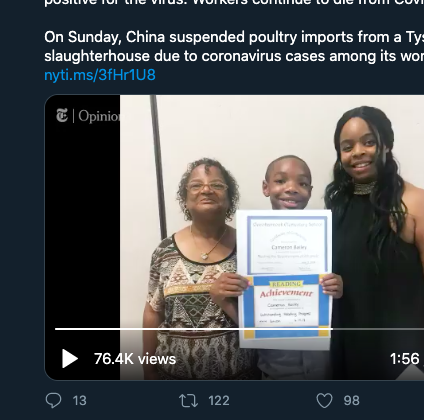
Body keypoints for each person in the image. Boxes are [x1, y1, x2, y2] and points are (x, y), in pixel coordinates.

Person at [325, 107, 424, 380]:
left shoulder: (417, 203)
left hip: (405, 356)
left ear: (386, 144)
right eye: (347, 147)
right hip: (350, 347)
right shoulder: (337, 206)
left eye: (368, 142)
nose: (358, 152)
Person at [211, 155, 343, 380]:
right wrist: (222, 299)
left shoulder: (328, 239)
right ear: (266, 187)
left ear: (310, 191)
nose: (291, 188)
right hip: (276, 370)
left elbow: (340, 307)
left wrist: (338, 288)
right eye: (281, 181)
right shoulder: (250, 245)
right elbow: (252, 322)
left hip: (327, 368)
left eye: (302, 183)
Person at [142, 158, 259, 380]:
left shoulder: (251, 247)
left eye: (217, 185)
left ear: (229, 198)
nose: (206, 190)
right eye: (196, 185)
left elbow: (267, 316)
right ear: (185, 199)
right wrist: (148, 370)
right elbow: (153, 311)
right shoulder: (164, 251)